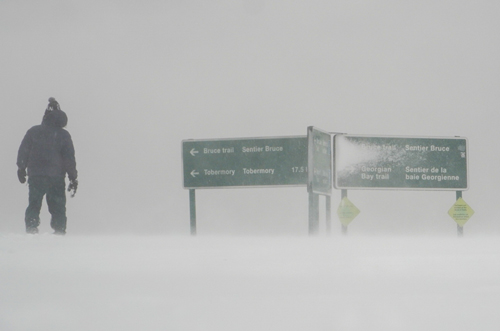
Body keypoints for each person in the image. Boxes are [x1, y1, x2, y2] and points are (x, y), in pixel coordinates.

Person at [17, 98, 78, 235]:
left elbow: (24, 151)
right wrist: (73, 177)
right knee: (58, 207)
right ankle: (59, 231)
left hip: (36, 176)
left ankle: (31, 229)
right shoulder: (63, 135)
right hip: (56, 177)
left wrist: (21, 168)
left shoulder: (34, 131)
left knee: (34, 204)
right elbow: (69, 158)